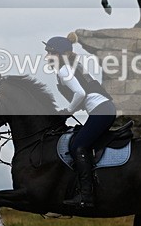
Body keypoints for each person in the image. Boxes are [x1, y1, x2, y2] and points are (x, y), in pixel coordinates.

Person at [44, 33, 116, 209]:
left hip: (101, 111)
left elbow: (81, 94)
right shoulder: (71, 65)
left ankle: (86, 196)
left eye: (51, 53)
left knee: (78, 146)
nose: (47, 56)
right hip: (103, 109)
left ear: (63, 55)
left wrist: (68, 111)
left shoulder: (64, 69)